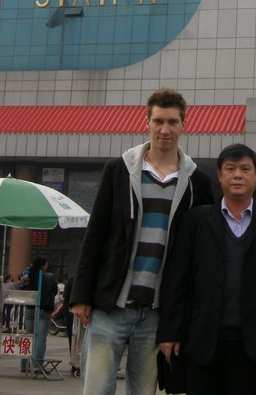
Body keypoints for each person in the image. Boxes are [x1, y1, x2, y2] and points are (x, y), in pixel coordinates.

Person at [70, 88, 214, 395]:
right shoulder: (120, 170)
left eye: (172, 122)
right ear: (147, 122)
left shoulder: (197, 183)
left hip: (157, 313)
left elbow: (200, 254)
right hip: (111, 306)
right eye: (158, 121)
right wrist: (81, 295)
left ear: (183, 125)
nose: (165, 129)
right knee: (96, 389)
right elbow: (95, 235)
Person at [159, 143, 256, 395]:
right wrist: (170, 332)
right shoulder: (195, 220)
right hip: (201, 339)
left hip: (250, 343)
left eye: (245, 169)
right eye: (230, 169)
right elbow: (178, 280)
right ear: (220, 175)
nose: (238, 175)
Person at [23, 255, 58, 368]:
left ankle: (24, 364)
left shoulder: (28, 276)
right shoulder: (49, 277)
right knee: (41, 338)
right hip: (44, 309)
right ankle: (37, 364)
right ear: (43, 266)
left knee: (28, 337)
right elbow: (55, 290)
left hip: (30, 309)